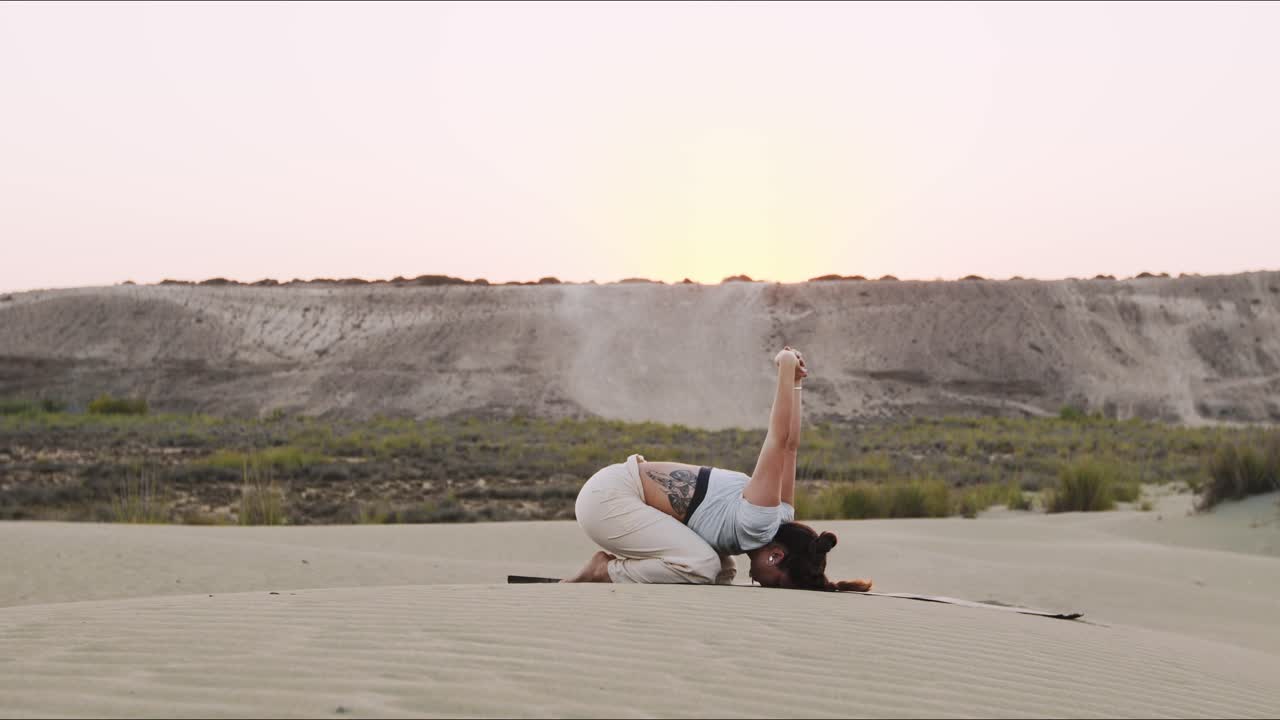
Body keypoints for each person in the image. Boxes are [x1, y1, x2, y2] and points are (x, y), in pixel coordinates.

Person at [566, 346, 873, 591]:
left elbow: (792, 447)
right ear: (776, 556)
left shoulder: (782, 514)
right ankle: (604, 570)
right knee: (703, 566)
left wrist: (796, 385)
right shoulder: (760, 522)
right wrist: (785, 367)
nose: (765, 585)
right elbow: (779, 441)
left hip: (616, 494)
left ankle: (613, 571)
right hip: (610, 498)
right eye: (777, 583)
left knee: (722, 571)